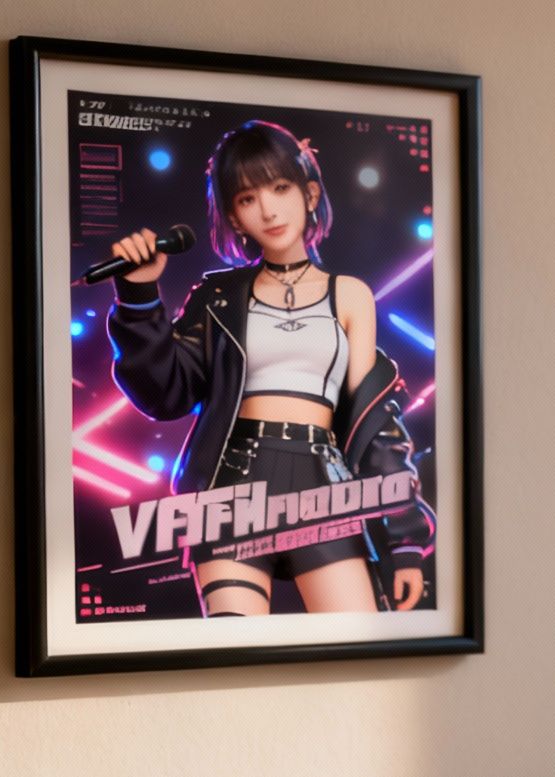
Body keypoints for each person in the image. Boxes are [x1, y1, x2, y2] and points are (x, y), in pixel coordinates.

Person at [105, 119, 432, 616]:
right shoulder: (217, 296)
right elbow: (165, 393)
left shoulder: (350, 295)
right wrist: (138, 295)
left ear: (309, 192)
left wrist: (406, 541)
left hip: (324, 484)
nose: (269, 209)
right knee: (235, 651)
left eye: (280, 187)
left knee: (349, 652)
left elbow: (373, 423)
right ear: (234, 217)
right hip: (233, 481)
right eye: (247, 198)